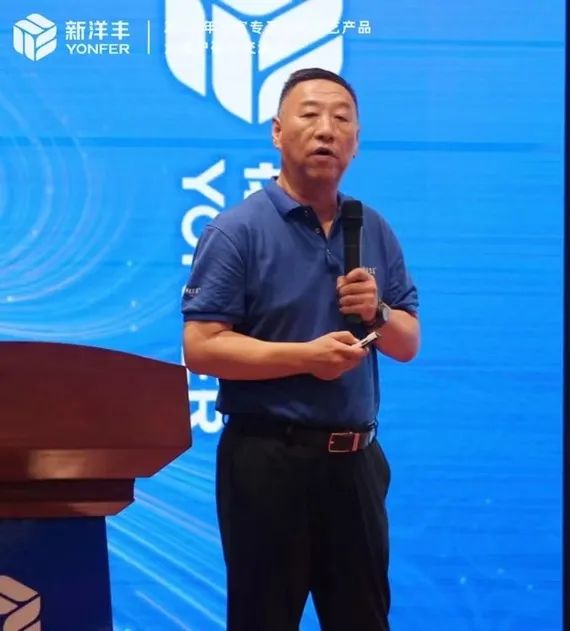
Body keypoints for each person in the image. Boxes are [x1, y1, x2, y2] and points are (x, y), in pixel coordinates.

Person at [181, 67, 420, 630]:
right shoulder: (237, 230)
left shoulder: (373, 227)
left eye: (341, 119)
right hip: (267, 460)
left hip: (356, 462)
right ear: (277, 131)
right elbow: (202, 347)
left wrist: (379, 313)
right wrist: (305, 358)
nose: (326, 130)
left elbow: (407, 342)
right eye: (310, 115)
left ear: (356, 141)